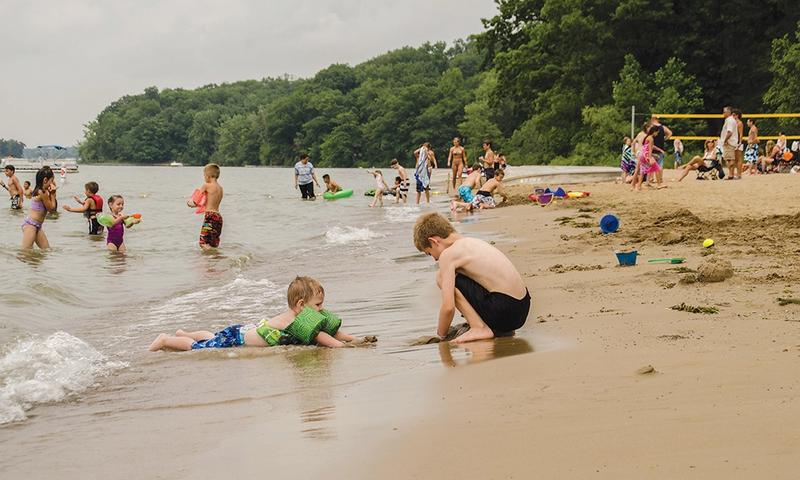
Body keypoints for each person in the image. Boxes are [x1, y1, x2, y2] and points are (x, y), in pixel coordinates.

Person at [149, 276, 358, 351]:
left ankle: (184, 332)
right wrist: (349, 346)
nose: (322, 310)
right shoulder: (293, 321)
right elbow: (327, 339)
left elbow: (330, 333)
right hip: (238, 339)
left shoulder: (302, 318)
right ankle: (166, 340)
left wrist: (354, 339)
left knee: (213, 336)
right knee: (200, 348)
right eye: (318, 305)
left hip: (242, 331)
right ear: (301, 305)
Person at [412, 213, 531, 343]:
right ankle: (490, 327)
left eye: (429, 253)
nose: (435, 258)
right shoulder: (473, 243)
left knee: (441, 276)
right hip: (522, 308)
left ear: (433, 241)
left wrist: (441, 336)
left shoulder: (448, 255)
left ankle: (479, 328)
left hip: (504, 311)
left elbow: (448, 307)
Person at [187, 163, 224, 250]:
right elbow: (209, 201)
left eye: (204, 175)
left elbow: (195, 201)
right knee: (213, 243)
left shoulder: (206, 185)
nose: (204, 177)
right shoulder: (220, 188)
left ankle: (211, 259)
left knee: (203, 243)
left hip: (210, 216)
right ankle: (214, 260)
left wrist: (189, 203)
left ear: (208, 176)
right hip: (218, 218)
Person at [21, 167, 57, 249]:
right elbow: (51, 209)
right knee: (25, 252)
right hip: (31, 225)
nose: (53, 183)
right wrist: (53, 194)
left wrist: (51, 193)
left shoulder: (42, 191)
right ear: (45, 180)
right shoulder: (42, 192)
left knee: (46, 250)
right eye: (52, 180)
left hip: (37, 226)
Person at [633, 125, 665, 190]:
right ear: (654, 132)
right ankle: (659, 184)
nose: (657, 134)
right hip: (646, 155)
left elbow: (648, 147)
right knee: (657, 168)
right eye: (657, 133)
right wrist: (650, 158)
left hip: (642, 155)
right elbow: (650, 149)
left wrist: (658, 150)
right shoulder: (651, 138)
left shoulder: (647, 137)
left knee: (642, 171)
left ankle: (638, 186)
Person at [649, 115, 672, 185]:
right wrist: (665, 138)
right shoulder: (663, 127)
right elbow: (670, 133)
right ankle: (660, 178)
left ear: (653, 119)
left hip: (652, 147)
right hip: (661, 147)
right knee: (660, 164)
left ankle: (651, 178)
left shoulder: (651, 127)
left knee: (651, 163)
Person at [719, 106, 739, 179]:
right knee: (729, 159)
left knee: (729, 159)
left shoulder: (729, 120)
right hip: (731, 141)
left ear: (728, 112)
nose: (723, 113)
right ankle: (731, 174)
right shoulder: (730, 120)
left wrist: (725, 140)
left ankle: (731, 175)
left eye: (724, 112)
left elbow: (729, 132)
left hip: (729, 142)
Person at [731, 109, 745, 180]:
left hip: (737, 142)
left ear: (737, 115)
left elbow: (741, 134)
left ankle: (739, 174)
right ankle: (733, 174)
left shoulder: (739, 123)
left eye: (734, 115)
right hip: (732, 142)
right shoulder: (732, 123)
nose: (732, 116)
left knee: (738, 158)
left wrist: (740, 142)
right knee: (733, 158)